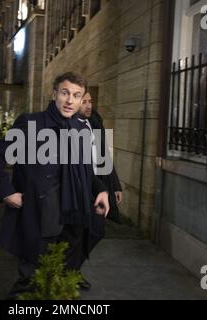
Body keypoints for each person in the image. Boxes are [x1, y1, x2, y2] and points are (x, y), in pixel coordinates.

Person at [0, 72, 110, 299]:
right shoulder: (31, 123)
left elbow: (86, 171)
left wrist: (100, 189)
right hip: (41, 218)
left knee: (64, 285)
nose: (70, 100)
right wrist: (7, 192)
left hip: (74, 219)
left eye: (76, 95)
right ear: (54, 94)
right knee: (30, 284)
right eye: (65, 93)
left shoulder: (81, 129)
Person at [76, 92, 123, 290]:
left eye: (90, 101)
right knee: (76, 232)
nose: (88, 106)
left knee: (97, 231)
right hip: (77, 187)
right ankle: (69, 271)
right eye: (84, 102)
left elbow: (105, 156)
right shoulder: (68, 125)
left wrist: (115, 185)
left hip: (97, 188)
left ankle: (71, 268)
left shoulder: (95, 122)